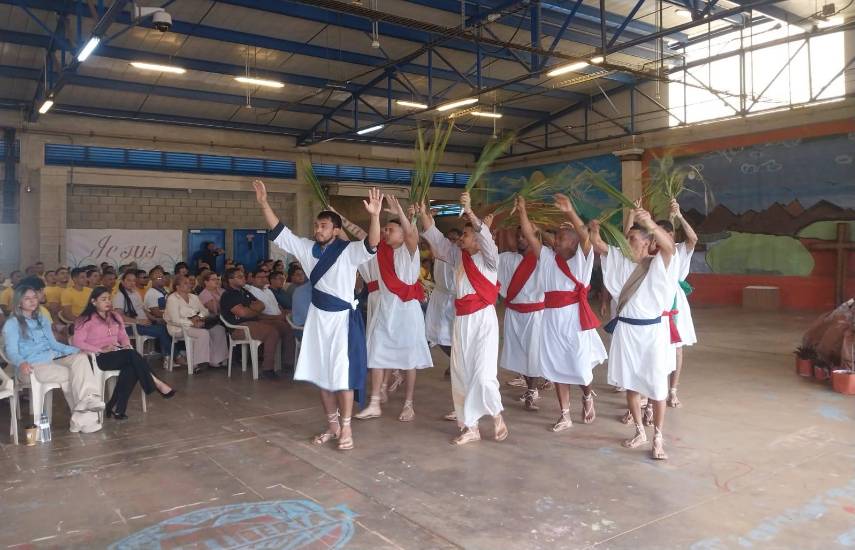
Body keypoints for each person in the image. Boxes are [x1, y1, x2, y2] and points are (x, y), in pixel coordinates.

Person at [255, 179, 381, 451]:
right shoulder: (306, 248)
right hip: (318, 319)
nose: (318, 229)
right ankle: (332, 425)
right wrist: (264, 203)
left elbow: (372, 244)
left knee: (342, 375)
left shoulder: (348, 251)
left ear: (336, 230)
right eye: (316, 225)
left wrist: (375, 217)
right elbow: (279, 230)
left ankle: (347, 426)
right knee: (322, 375)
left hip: (341, 322)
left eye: (323, 225)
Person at [418, 193, 508, 445]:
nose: (460, 239)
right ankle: (470, 427)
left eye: (465, 236)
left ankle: (497, 415)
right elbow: (435, 238)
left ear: (477, 239)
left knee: (483, 373)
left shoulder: (489, 259)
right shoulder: (460, 257)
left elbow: (487, 241)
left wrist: (469, 212)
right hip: (462, 320)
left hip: (483, 320)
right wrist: (424, 214)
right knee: (461, 373)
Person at [590, 207, 679, 460]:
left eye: (632, 239)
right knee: (630, 383)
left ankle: (658, 437)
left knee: (656, 386)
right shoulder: (620, 259)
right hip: (626, 331)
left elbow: (669, 246)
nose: (626, 242)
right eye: (626, 238)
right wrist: (594, 230)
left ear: (649, 243)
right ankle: (640, 431)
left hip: (651, 333)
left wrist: (650, 223)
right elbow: (597, 244)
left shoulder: (659, 263)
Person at [524, 195, 606, 430]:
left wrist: (570, 211)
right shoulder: (549, 258)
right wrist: (522, 211)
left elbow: (585, 237)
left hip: (574, 320)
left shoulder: (582, 259)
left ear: (572, 243)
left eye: (560, 239)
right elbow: (531, 236)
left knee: (580, 367)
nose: (555, 242)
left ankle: (588, 396)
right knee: (557, 366)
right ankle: (565, 414)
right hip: (550, 320)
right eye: (555, 238)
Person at [355, 196, 433, 423]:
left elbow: (412, 235)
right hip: (384, 311)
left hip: (406, 314)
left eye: (391, 230)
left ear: (402, 233)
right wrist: (375, 216)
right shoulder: (380, 252)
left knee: (409, 360)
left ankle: (409, 404)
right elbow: (364, 235)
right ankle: (374, 403)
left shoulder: (409, 251)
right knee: (377, 355)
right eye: (385, 230)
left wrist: (400, 210)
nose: (386, 233)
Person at [3, 285, 104, 433]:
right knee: (76, 376)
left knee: (81, 359)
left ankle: (86, 404)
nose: (32, 301)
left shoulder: (42, 319)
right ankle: (83, 418)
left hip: (52, 359)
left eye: (34, 297)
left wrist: (78, 350)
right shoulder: (12, 323)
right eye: (27, 298)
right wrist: (21, 362)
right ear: (19, 303)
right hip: (31, 366)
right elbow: (11, 351)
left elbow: (54, 344)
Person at [72, 287, 175, 420]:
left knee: (132, 366)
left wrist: (126, 344)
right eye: (103, 299)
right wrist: (100, 349)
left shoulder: (115, 316)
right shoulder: (85, 319)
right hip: (98, 357)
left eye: (109, 299)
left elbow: (123, 336)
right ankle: (156, 382)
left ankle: (116, 408)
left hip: (118, 353)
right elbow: (77, 342)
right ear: (93, 301)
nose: (107, 302)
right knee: (132, 356)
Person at [497, 208, 546, 412]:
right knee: (518, 354)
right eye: (518, 236)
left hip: (535, 315)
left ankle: (533, 390)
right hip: (513, 313)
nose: (520, 239)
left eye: (524, 236)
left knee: (533, 353)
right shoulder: (506, 258)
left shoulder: (544, 259)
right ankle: (530, 385)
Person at [657, 200, 699, 408]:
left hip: (676, 302)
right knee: (656, 347)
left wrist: (678, 215)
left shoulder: (679, 249)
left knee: (676, 348)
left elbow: (693, 238)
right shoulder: (652, 253)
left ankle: (673, 391)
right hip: (656, 300)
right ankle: (656, 390)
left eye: (669, 234)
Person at [220, 267, 281, 379]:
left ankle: (287, 362)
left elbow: (261, 305)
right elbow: (242, 313)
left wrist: (250, 310)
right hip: (239, 328)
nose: (244, 278)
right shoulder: (228, 295)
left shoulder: (244, 292)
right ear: (230, 280)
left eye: (243, 276)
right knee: (271, 332)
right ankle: (267, 369)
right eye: (240, 277)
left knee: (282, 326)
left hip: (252, 323)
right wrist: (253, 310)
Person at [164, 274, 228, 370]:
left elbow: (205, 311)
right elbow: (175, 320)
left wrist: (199, 317)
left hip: (197, 323)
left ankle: (215, 360)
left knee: (219, 329)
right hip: (178, 327)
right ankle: (196, 363)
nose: (189, 285)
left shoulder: (194, 297)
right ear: (177, 287)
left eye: (189, 283)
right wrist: (192, 322)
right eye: (185, 283)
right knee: (203, 333)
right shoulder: (172, 299)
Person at [112, 270, 173, 364]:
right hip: (130, 327)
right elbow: (119, 316)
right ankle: (172, 357)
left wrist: (155, 319)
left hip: (142, 324)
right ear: (123, 282)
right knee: (162, 330)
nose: (132, 283)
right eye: (129, 280)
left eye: (133, 280)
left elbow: (143, 310)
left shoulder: (135, 293)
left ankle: (168, 357)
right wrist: (138, 321)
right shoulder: (119, 296)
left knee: (166, 327)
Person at [424, 228, 460, 377]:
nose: (450, 242)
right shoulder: (439, 253)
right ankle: (455, 362)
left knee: (455, 336)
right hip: (439, 296)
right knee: (437, 335)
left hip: (454, 298)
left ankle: (459, 365)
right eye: (448, 238)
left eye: (454, 240)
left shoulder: (459, 255)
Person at [245, 269, 295, 370]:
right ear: (253, 279)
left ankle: (289, 360)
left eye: (265, 277)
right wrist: (278, 317)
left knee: (293, 323)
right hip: (264, 319)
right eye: (260, 277)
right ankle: (286, 363)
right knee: (286, 328)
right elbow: (256, 314)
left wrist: (283, 313)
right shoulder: (250, 291)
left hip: (277, 317)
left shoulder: (268, 290)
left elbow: (277, 306)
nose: (263, 279)